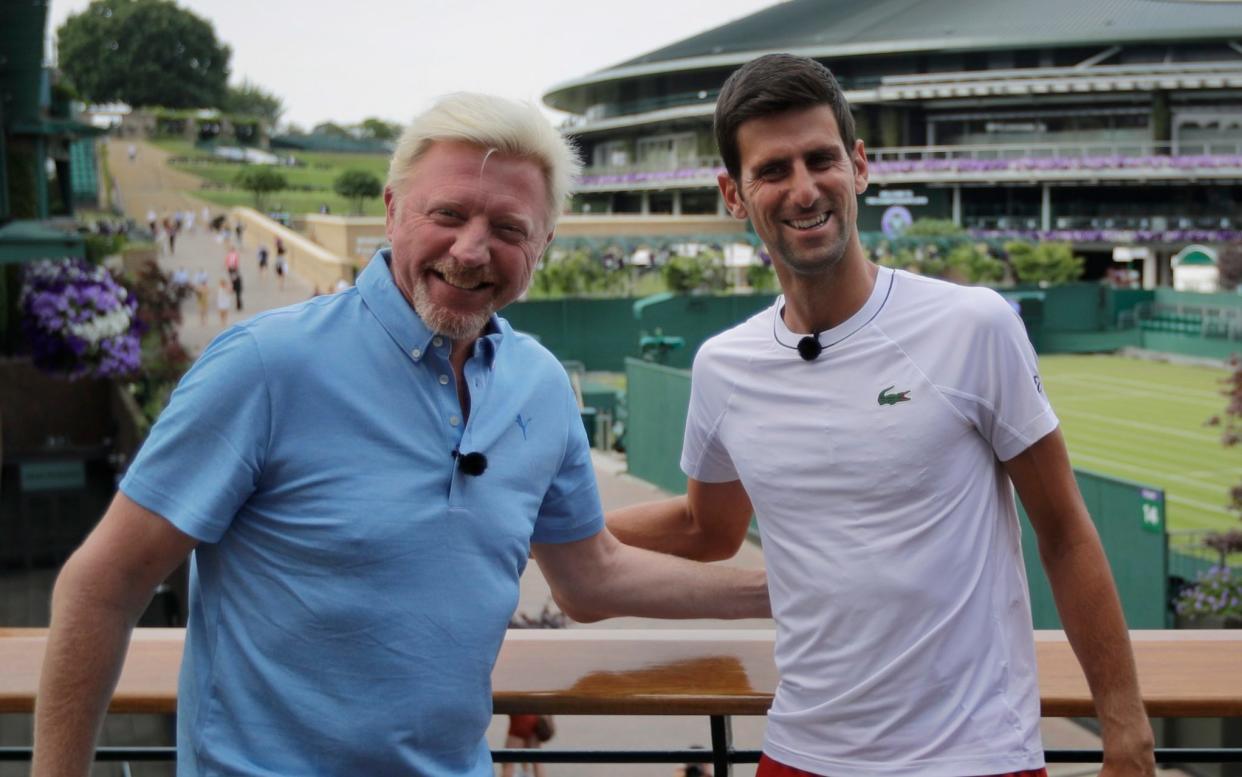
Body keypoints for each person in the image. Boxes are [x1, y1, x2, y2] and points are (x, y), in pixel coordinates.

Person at [32, 92, 769, 777]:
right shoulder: (265, 367)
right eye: (447, 214)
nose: (473, 250)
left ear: (542, 244)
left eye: (509, 229)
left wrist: (783, 589)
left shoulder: (539, 384)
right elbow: (104, 584)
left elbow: (592, 573)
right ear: (392, 211)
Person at [606, 54, 1155, 777]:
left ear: (859, 166)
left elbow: (1063, 529)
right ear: (733, 195)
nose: (804, 189)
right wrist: (528, 519)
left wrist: (1127, 733)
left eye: (821, 159)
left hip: (976, 757)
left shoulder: (974, 324)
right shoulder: (722, 367)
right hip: (803, 752)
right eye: (773, 170)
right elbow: (708, 529)